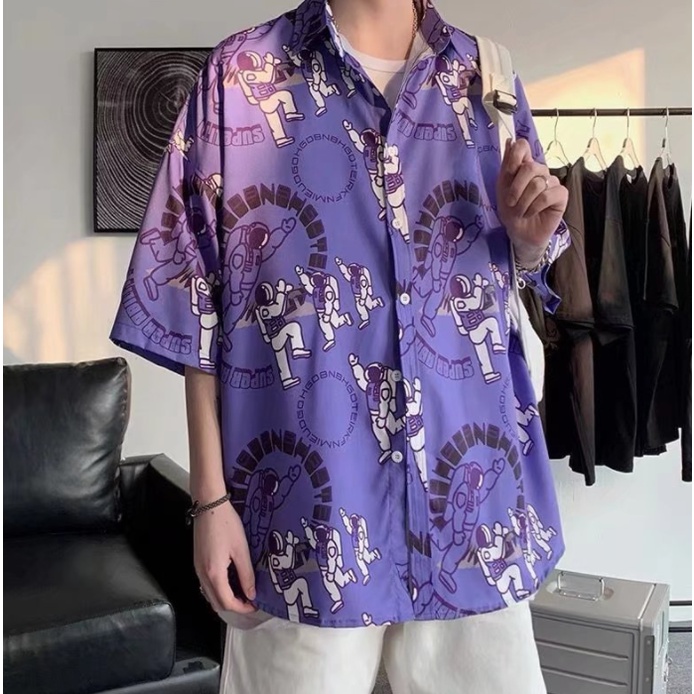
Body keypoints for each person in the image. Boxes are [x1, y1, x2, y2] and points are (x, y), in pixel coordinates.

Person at [109, 0, 570, 692]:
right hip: (308, 526)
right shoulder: (241, 78)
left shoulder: (485, 79)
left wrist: (528, 241)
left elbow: (510, 280)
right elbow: (191, 298)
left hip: (475, 522)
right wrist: (209, 501)